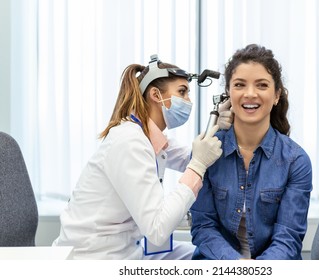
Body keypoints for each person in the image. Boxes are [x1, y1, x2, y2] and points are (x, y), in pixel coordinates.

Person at [52, 54, 231, 260]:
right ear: (156, 95)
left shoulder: (146, 135)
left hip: (127, 249)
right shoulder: (129, 141)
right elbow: (157, 228)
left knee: (204, 257)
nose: (189, 101)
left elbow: (192, 157)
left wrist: (218, 126)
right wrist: (199, 164)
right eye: (182, 92)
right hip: (95, 259)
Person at [190, 44, 313, 260]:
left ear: (276, 96)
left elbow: (288, 238)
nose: (250, 94)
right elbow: (203, 228)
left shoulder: (296, 160)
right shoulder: (207, 153)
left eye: (262, 85)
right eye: (239, 85)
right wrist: (237, 266)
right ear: (228, 93)